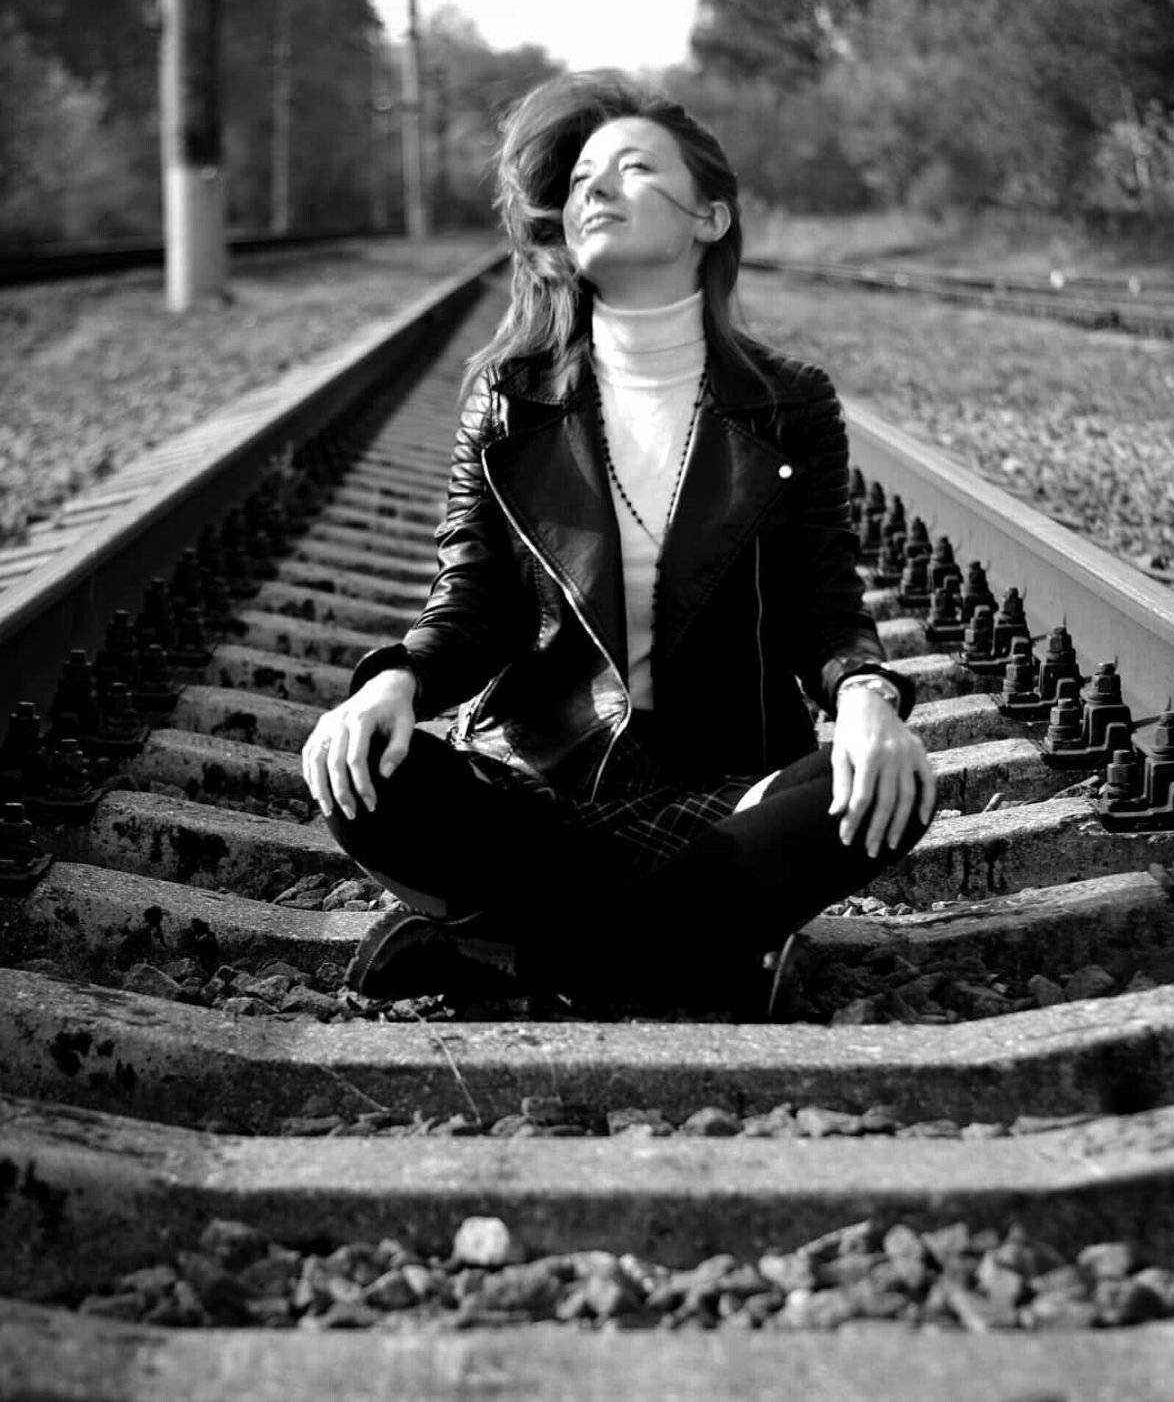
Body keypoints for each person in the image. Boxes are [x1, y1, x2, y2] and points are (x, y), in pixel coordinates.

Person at [302, 71, 936, 1020]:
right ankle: (692, 958)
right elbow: (470, 602)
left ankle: (519, 955)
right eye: (581, 179)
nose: (596, 187)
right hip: (542, 798)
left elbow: (823, 604)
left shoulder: (788, 402)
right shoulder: (510, 399)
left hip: (726, 794)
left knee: (894, 781)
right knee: (366, 772)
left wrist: (866, 698)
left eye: (634, 168)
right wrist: (392, 682)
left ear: (710, 217)